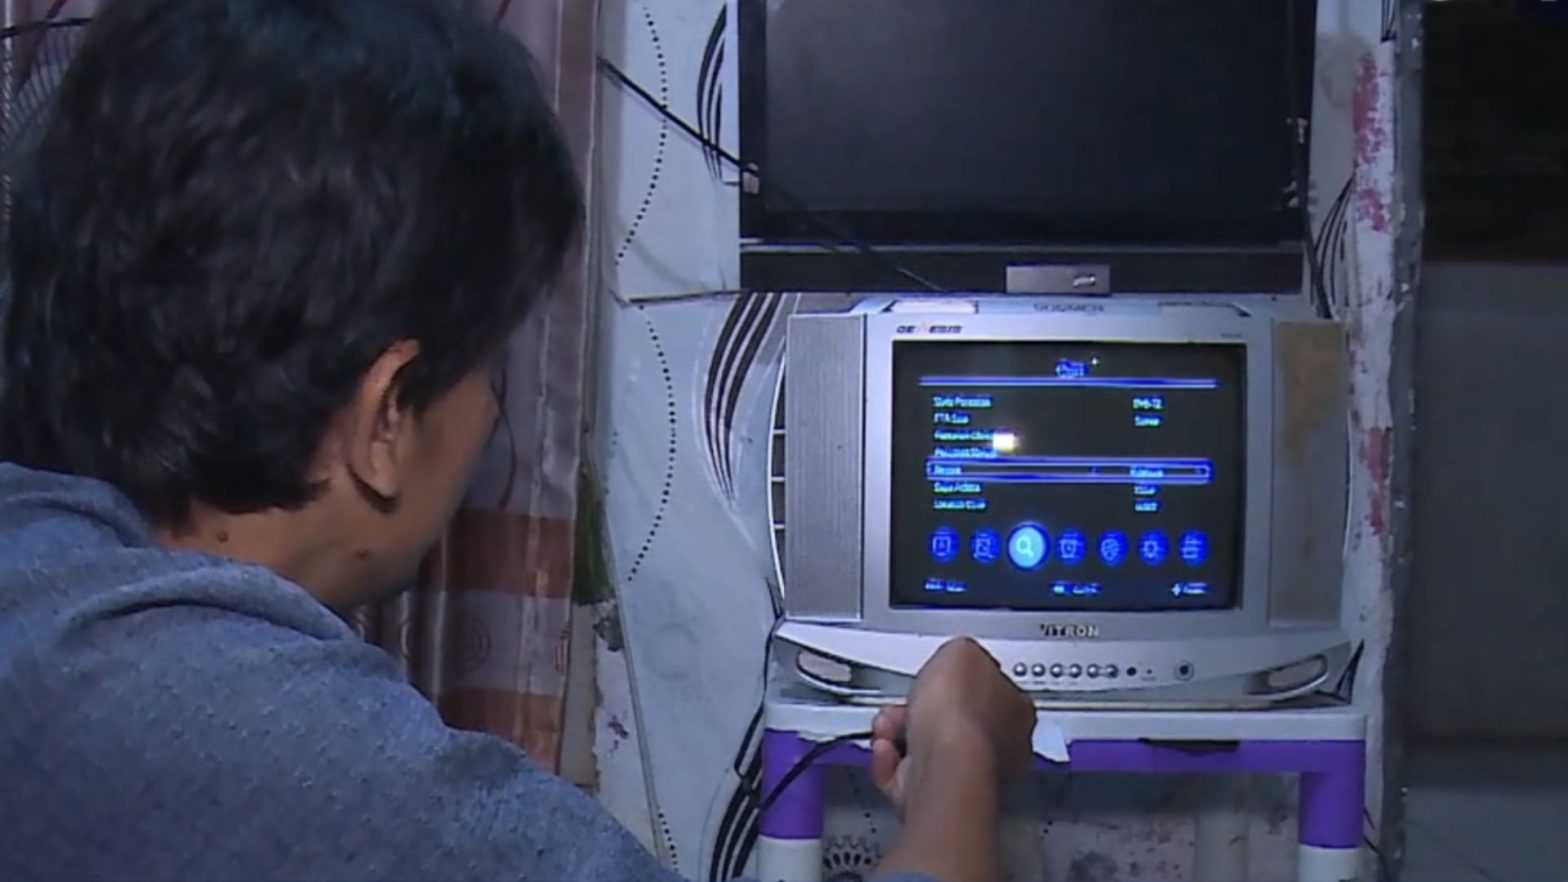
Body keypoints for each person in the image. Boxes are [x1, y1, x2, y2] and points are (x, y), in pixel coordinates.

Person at [0, 0, 1036, 880]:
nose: (491, 416)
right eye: (488, 366)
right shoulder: (319, 769)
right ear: (385, 414)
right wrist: (963, 754)